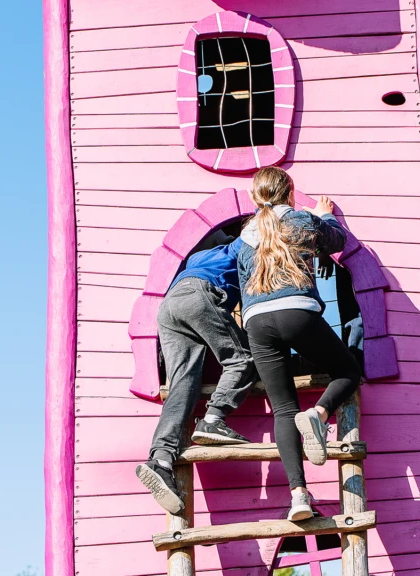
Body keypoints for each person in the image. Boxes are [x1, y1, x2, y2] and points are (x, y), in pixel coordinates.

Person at [237, 166, 363, 521]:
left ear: (252, 198)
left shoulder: (242, 238)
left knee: (282, 409)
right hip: (297, 312)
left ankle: (298, 497)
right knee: (347, 369)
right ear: (290, 195)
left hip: (257, 322)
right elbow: (337, 241)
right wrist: (325, 216)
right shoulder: (301, 221)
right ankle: (319, 414)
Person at [135, 230, 255, 514]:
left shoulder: (197, 257)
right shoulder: (235, 248)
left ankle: (161, 460)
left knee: (183, 384)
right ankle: (213, 419)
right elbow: (253, 234)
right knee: (242, 360)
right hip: (200, 296)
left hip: (170, 306)